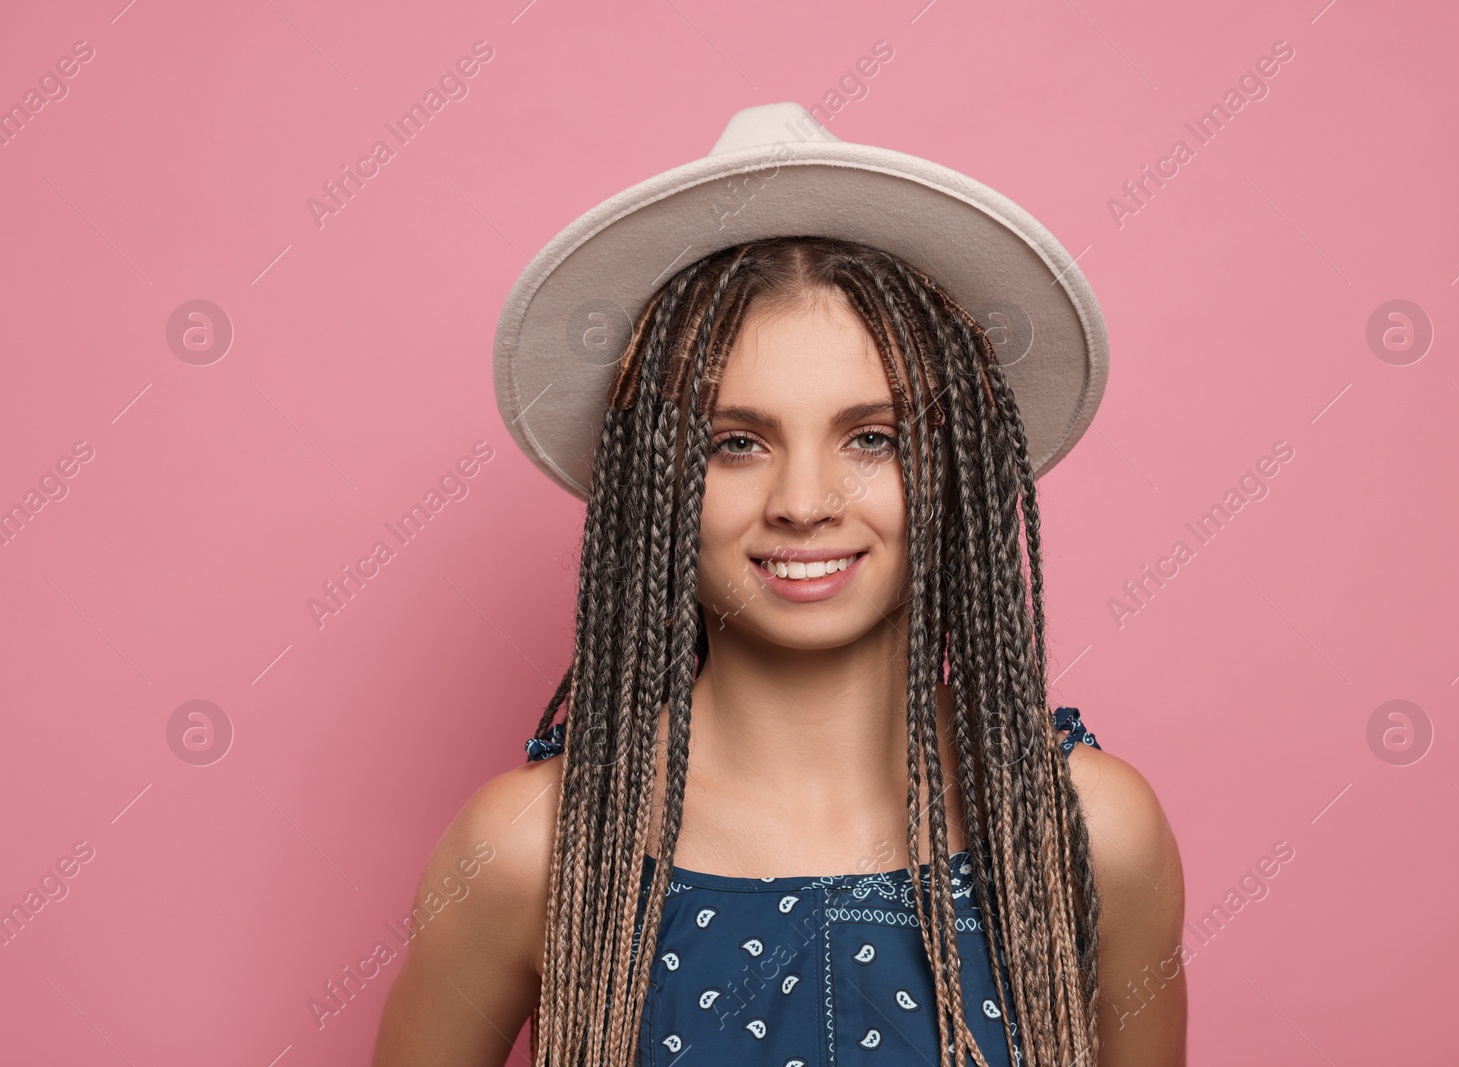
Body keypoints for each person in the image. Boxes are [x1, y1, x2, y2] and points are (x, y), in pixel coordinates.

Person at [374, 106, 1185, 1067]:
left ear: (958, 463)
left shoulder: (1083, 833)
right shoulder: (534, 849)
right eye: (736, 444)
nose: (804, 502)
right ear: (657, 482)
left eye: (873, 437)